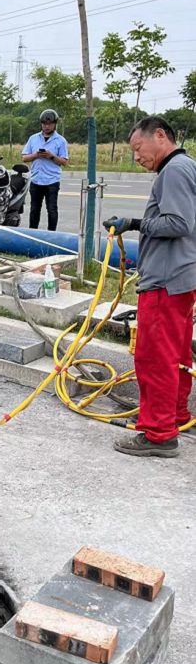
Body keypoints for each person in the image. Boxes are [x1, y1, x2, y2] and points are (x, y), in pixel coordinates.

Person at [103, 116, 196, 458]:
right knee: (177, 355)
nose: (137, 157)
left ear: (159, 136)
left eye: (138, 148)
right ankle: (176, 417)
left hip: (166, 281)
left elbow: (178, 223)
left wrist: (134, 224)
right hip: (181, 278)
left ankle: (158, 433)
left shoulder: (174, 170)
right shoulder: (186, 167)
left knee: (155, 358)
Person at [22, 109, 69, 231]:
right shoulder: (33, 138)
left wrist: (51, 156)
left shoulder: (60, 141)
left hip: (52, 181)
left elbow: (64, 162)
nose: (46, 126)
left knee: (52, 209)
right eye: (44, 124)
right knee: (34, 210)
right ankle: (32, 233)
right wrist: (36, 155)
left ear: (54, 124)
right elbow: (24, 158)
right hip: (36, 179)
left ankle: (52, 234)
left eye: (49, 124)